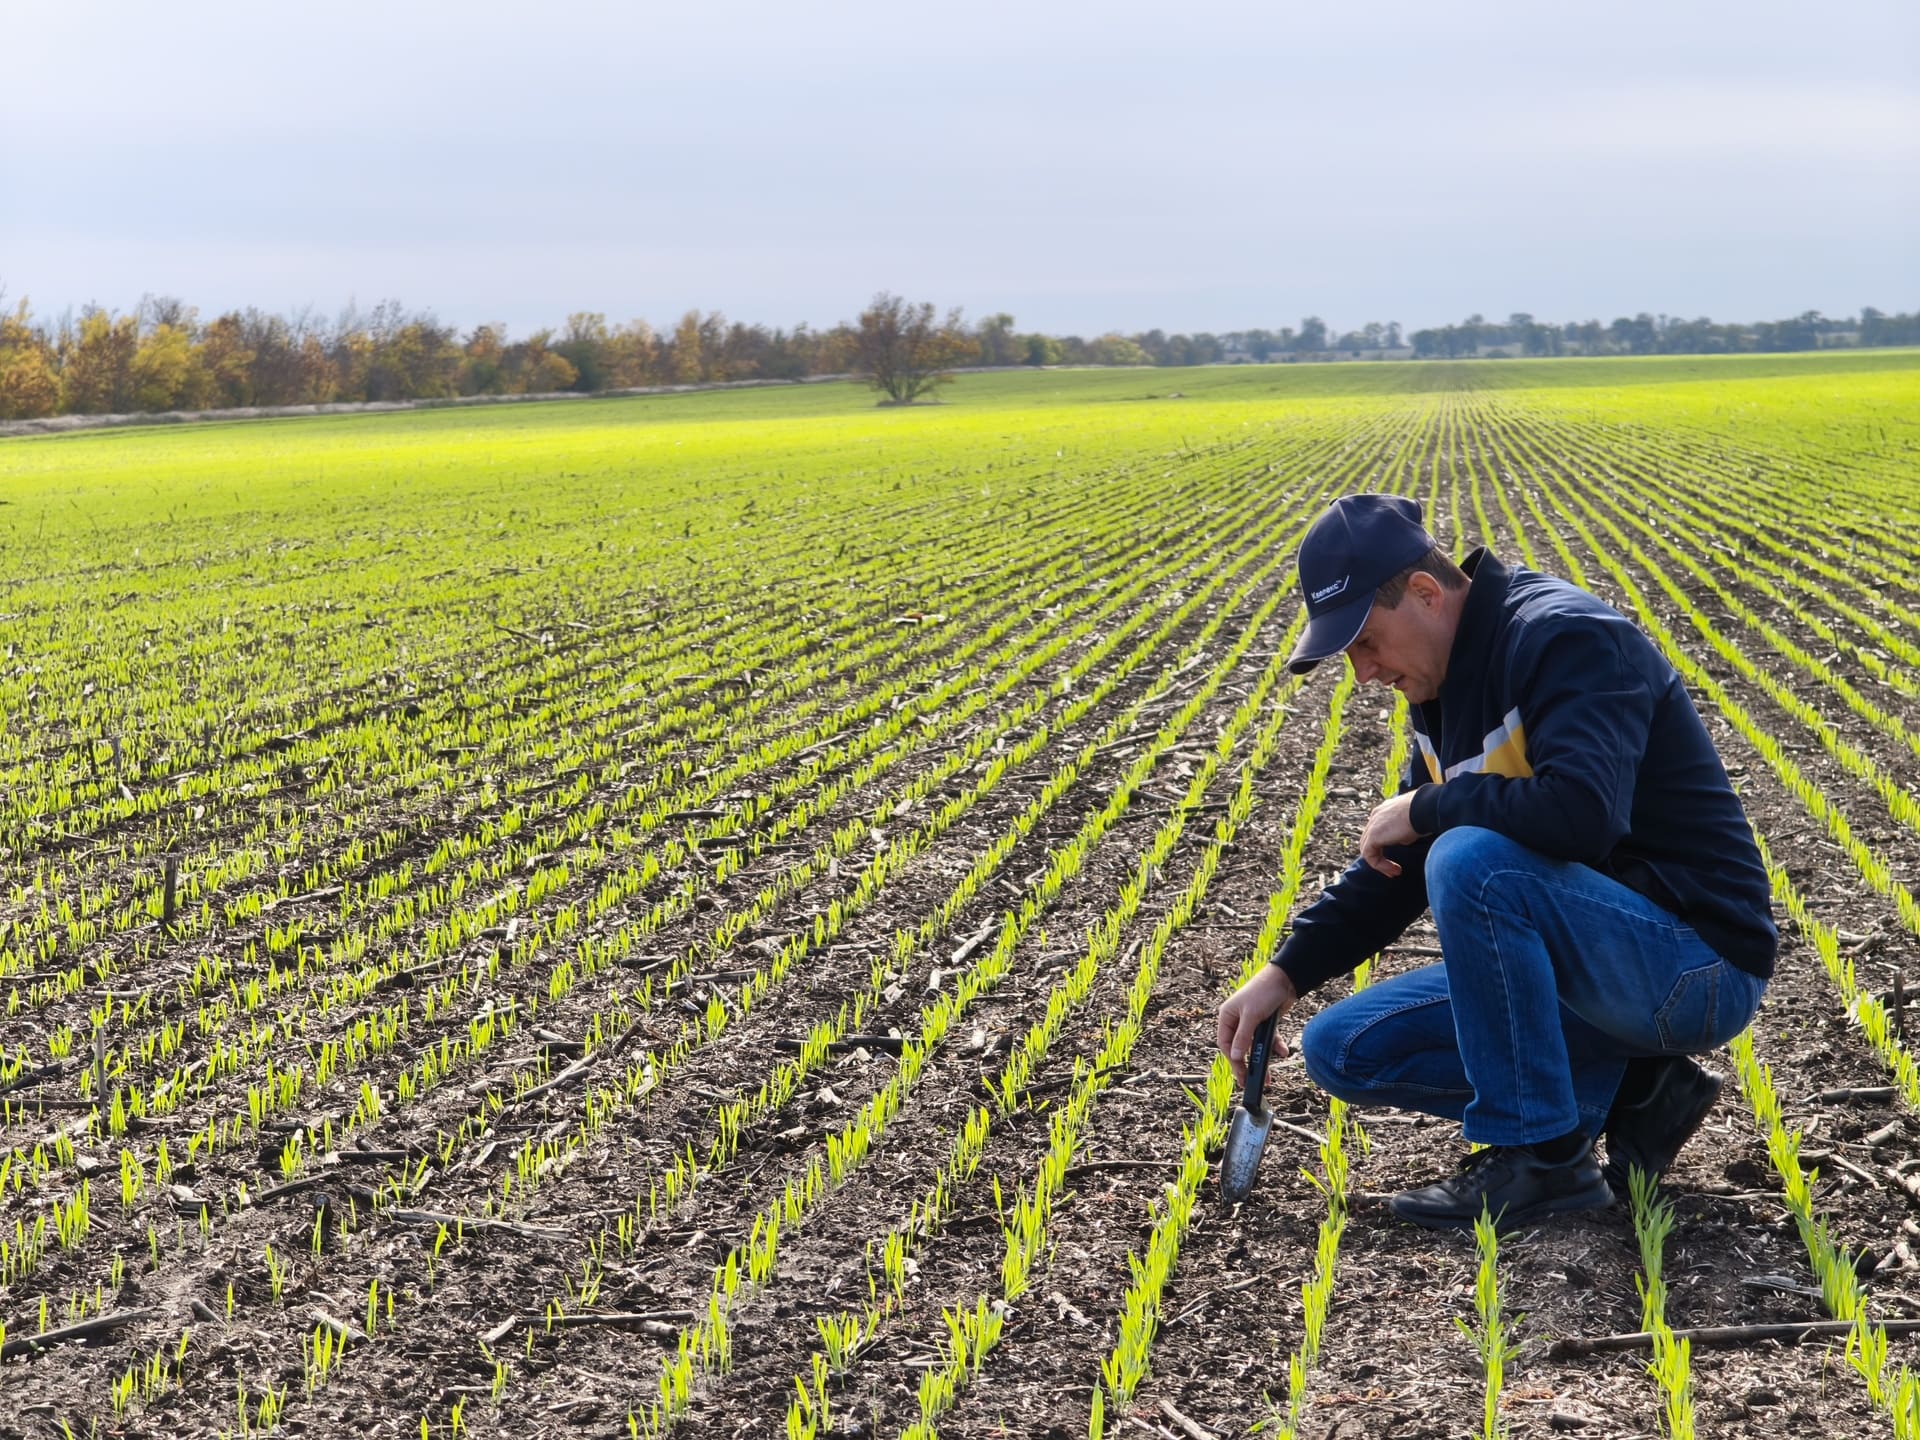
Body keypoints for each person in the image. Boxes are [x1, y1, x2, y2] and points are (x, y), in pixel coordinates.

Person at [1216, 494, 1777, 1229]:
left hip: (1694, 965)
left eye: (1364, 642)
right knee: (1340, 1049)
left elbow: (1579, 814)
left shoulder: (1565, 639)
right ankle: (1637, 1089)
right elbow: (1405, 864)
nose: (1362, 673)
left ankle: (1543, 1158)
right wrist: (1283, 974)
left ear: (1424, 593)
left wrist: (1426, 808)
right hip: (1599, 973)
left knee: (1470, 857)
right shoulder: (1444, 687)